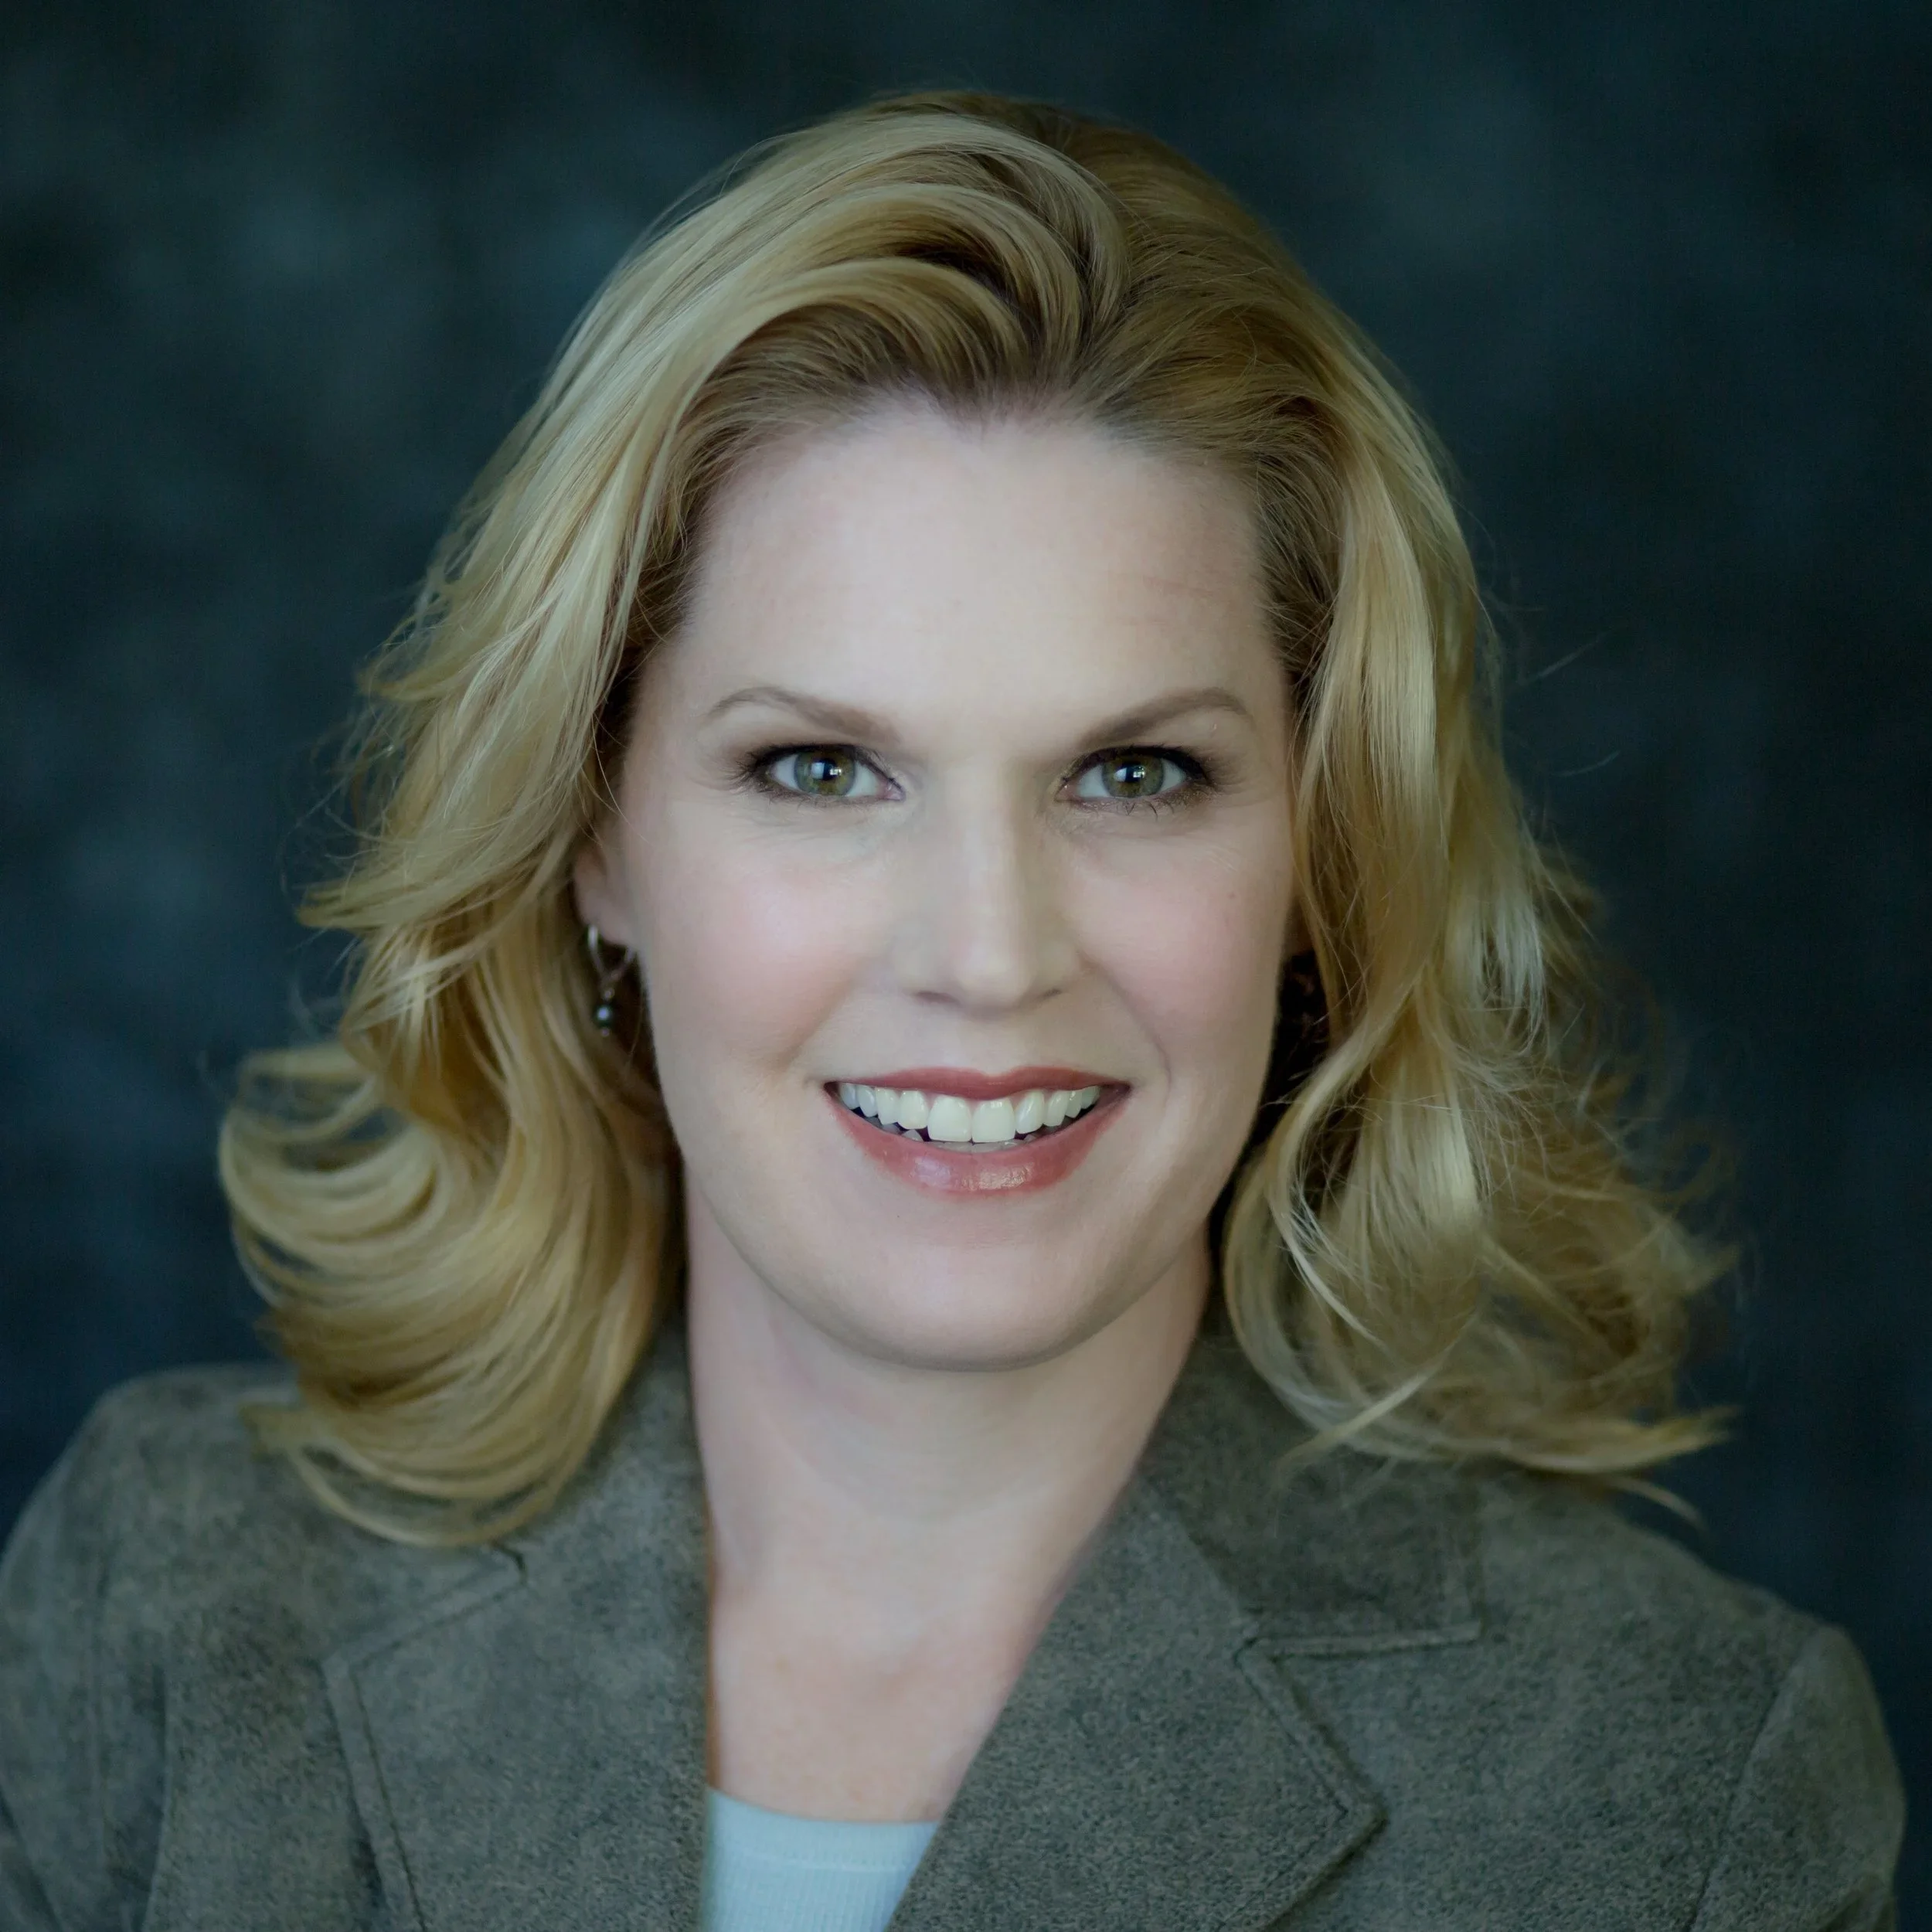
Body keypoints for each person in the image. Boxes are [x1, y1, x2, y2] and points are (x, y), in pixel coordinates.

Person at [0, 90, 1903, 1931]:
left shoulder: (1673, 1787)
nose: (989, 955)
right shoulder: (157, 1603)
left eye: (1135, 773)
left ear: (1321, 859)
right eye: (822, 770)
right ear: (591, 834)